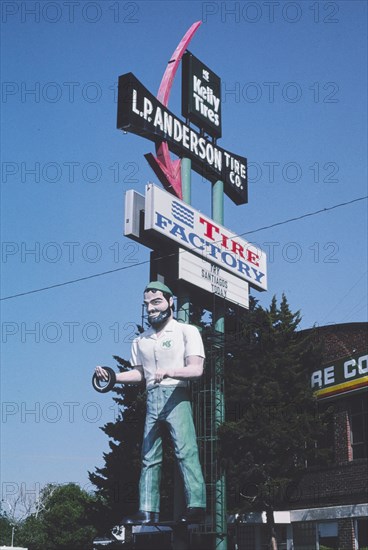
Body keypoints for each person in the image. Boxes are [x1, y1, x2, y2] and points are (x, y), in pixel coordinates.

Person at [95, 281, 206, 525]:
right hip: (153, 397)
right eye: (147, 304)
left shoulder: (187, 331)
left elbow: (196, 369)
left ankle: (197, 504)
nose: (151, 308)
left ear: (170, 302)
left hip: (177, 395)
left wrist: (170, 371)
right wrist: (112, 377)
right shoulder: (141, 340)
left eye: (156, 302)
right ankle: (147, 509)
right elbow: (139, 374)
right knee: (148, 455)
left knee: (185, 451)